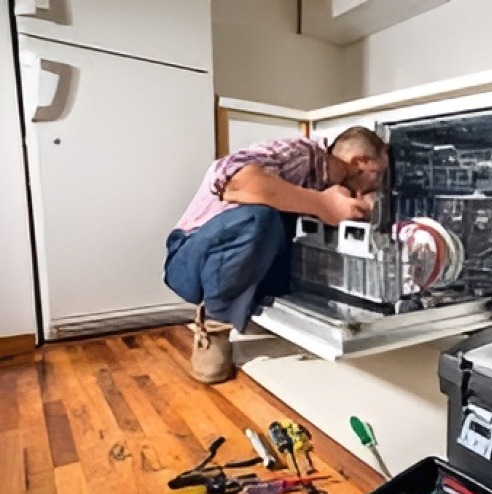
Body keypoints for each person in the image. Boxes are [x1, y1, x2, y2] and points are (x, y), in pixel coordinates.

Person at [164, 127, 388, 383]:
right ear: (361, 162)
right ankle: (214, 327)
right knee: (260, 219)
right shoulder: (301, 153)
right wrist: (324, 205)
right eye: (378, 174)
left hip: (240, 267)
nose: (378, 185)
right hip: (189, 258)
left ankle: (249, 309)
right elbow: (237, 184)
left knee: (294, 235)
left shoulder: (326, 185)